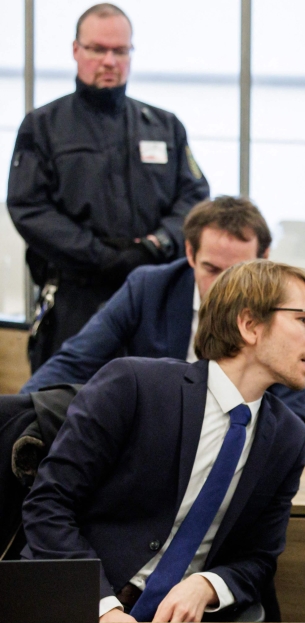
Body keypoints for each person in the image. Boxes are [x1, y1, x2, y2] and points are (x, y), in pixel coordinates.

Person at [20, 260, 305, 622]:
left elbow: (258, 558)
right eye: (304, 319)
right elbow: (48, 506)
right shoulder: (134, 385)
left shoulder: (287, 437)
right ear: (249, 325)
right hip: (76, 606)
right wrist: (103, 608)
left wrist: (208, 585)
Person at [7, 3, 209, 371]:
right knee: (67, 405)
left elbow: (194, 199)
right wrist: (97, 256)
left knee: (155, 404)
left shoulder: (164, 126)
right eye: (97, 49)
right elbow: (28, 207)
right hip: (77, 296)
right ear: (76, 51)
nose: (109, 61)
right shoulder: (43, 126)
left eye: (120, 50)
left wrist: (155, 245)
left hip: (155, 296)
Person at [19, 197, 305, 423]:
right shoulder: (149, 287)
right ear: (190, 253)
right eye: (211, 269)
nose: (224, 285)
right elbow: (73, 362)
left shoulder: (282, 309)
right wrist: (14, 415)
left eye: (237, 271)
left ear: (265, 259)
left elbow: (293, 414)